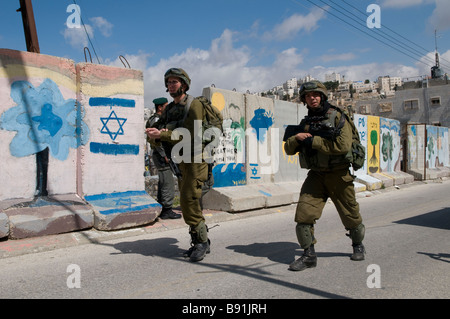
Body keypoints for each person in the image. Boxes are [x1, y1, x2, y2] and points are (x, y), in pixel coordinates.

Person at [284, 80, 365, 272]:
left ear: (322, 96)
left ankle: (357, 245)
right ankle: (309, 256)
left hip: (339, 175)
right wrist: (297, 138)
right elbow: (288, 148)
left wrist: (314, 141)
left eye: (316, 95)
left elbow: (342, 146)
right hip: (317, 175)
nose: (312, 98)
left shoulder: (338, 117)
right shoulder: (305, 123)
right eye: (308, 96)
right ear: (304, 99)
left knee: (351, 215)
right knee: (303, 215)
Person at [146, 68, 211, 262]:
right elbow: (160, 133)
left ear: (184, 84)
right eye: (169, 82)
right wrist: (154, 135)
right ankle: (201, 239)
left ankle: (201, 243)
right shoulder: (169, 109)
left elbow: (192, 134)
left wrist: (164, 134)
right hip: (180, 159)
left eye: (175, 82)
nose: (171, 85)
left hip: (197, 158)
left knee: (189, 200)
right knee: (186, 200)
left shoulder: (194, 105)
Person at [146, 97, 181, 220]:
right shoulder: (156, 120)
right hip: (161, 154)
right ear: (160, 107)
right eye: (166, 106)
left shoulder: (156, 119)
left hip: (161, 154)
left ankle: (162, 206)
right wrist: (165, 155)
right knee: (167, 181)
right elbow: (157, 140)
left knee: (163, 180)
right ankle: (167, 210)